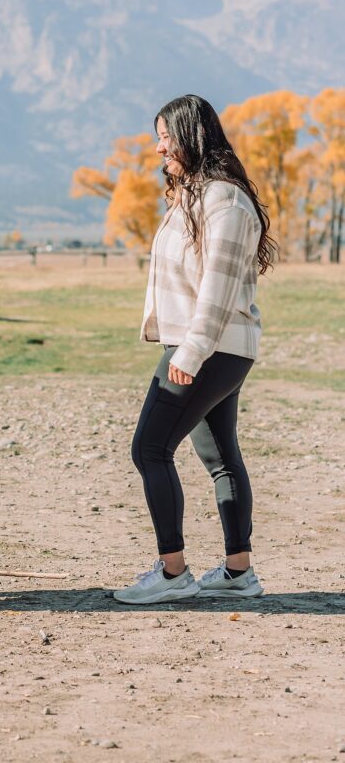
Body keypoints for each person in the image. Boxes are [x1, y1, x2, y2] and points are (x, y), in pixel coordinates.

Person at [113, 95, 277, 606]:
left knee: (149, 449)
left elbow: (218, 287)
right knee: (220, 456)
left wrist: (190, 351)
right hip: (211, 347)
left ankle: (172, 572)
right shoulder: (194, 197)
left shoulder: (225, 201)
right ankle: (238, 573)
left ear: (191, 136)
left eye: (165, 136)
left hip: (207, 346)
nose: (158, 147)